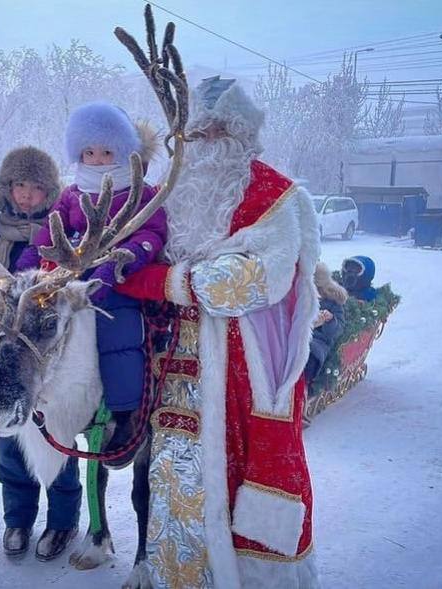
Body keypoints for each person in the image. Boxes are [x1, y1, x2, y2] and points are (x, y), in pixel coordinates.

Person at [116, 77, 321, 587]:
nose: (203, 145)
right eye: (194, 135)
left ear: (240, 134)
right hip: (172, 372)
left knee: (236, 485)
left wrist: (165, 281)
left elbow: (258, 279)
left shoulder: (277, 196)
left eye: (214, 133)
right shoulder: (170, 193)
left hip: (242, 374)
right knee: (175, 482)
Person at [16, 102, 166, 469]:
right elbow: (51, 232)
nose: (98, 160)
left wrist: (125, 258)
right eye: (89, 153)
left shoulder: (139, 192)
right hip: (71, 284)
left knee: (119, 336)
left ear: (122, 151)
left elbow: (152, 231)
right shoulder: (71, 194)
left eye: (106, 152)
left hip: (115, 283)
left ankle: (125, 411)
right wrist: (29, 265)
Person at [0, 146, 82, 561]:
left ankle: (62, 521)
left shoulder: (61, 237)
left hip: (46, 359)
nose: (26, 195)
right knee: (10, 440)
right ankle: (18, 518)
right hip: (2, 353)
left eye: (36, 187)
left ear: (49, 193)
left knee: (56, 437)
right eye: (19, 185)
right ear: (6, 188)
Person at [305, 262, 348, 385]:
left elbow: (337, 330)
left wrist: (329, 320)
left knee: (311, 353)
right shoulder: (301, 296)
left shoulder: (332, 300)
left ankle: (306, 384)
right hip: (297, 334)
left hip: (319, 340)